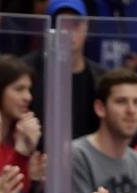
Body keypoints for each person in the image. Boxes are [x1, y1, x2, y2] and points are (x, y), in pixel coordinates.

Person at [23, 0, 106, 142]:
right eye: (61, 24)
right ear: (48, 29)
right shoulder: (27, 71)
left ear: (86, 27)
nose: (68, 32)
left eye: (75, 24)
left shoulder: (101, 78)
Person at [0, 55, 42, 193]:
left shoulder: (21, 135)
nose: (28, 97)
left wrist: (37, 181)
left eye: (28, 89)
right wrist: (20, 154)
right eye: (19, 89)